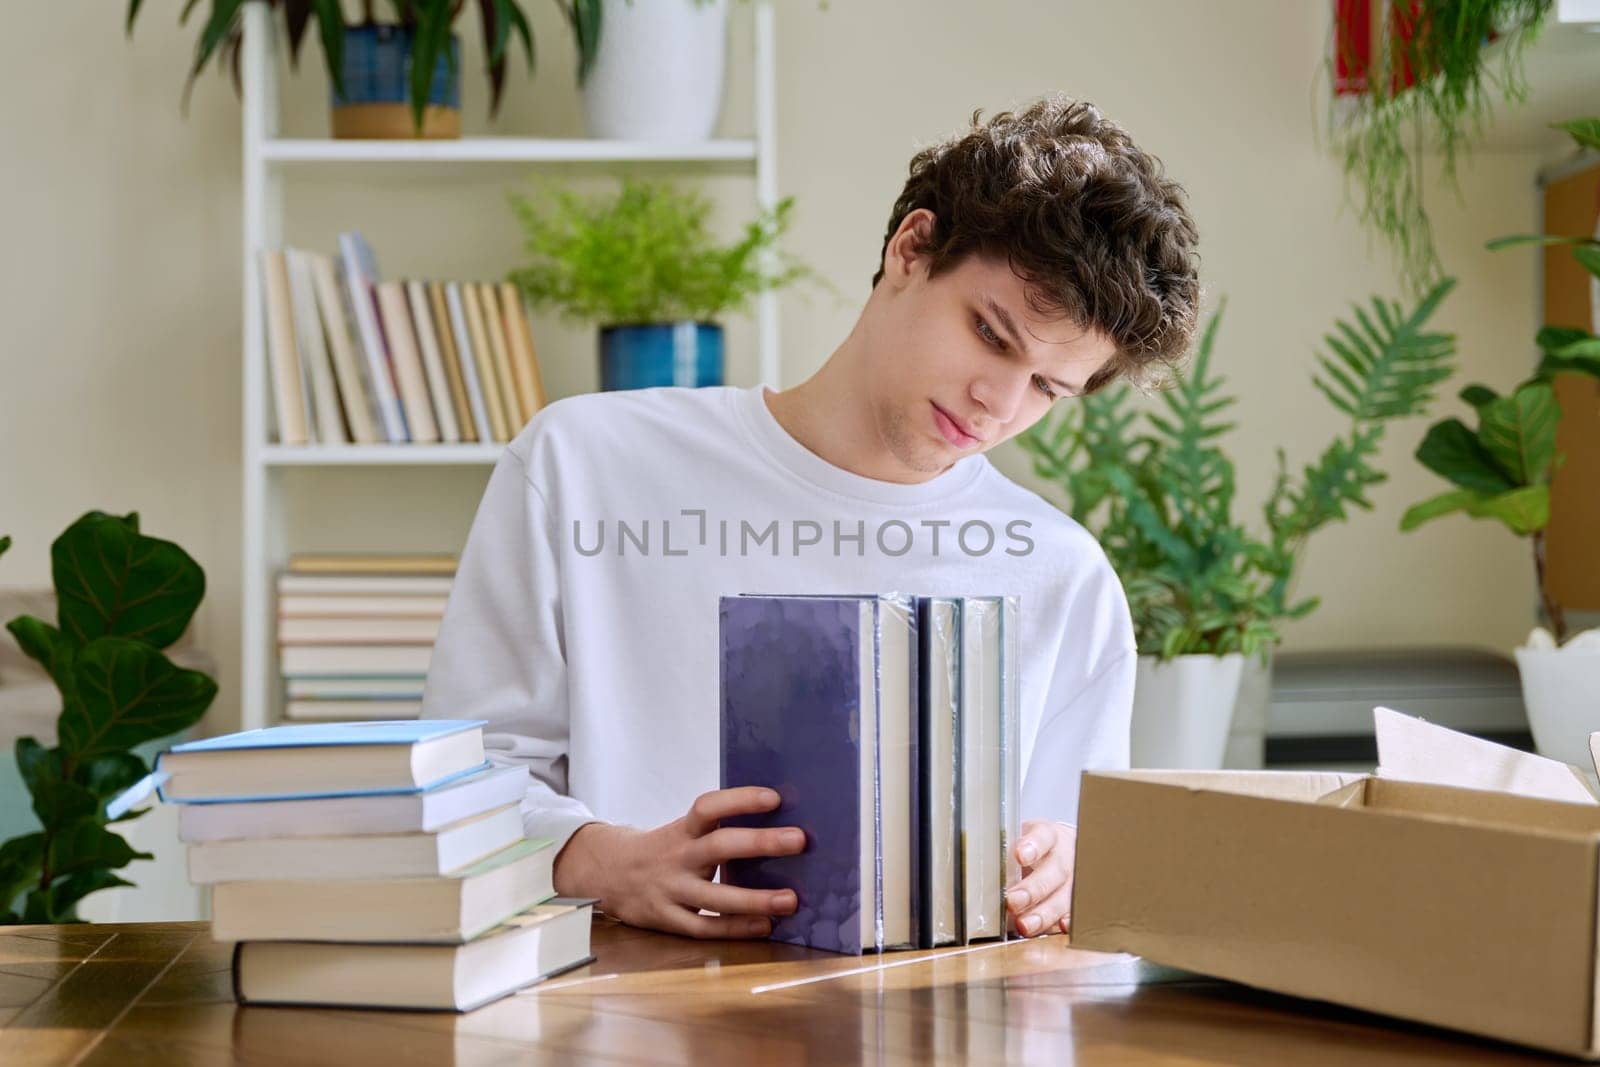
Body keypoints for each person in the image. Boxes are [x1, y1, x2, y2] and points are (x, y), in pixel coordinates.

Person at [420, 94, 1201, 942]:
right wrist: (599, 861)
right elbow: (461, 779)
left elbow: (1068, 878)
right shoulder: (583, 465)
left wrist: (1070, 869)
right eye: (991, 334)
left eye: (1050, 389)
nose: (1000, 402)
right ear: (912, 249)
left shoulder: (1062, 575)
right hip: (609, 1005)